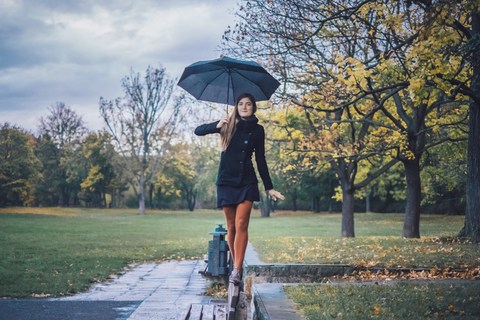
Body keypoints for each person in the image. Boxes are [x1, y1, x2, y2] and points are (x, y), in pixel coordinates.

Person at [194, 93, 285, 285]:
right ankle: (236, 265)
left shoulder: (258, 130)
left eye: (248, 104)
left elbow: (261, 159)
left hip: (247, 181)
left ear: (253, 107)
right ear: (236, 106)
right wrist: (217, 125)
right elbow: (198, 131)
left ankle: (236, 270)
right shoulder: (227, 124)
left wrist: (269, 187)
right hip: (226, 181)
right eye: (241, 104)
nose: (244, 106)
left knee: (242, 223)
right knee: (232, 227)